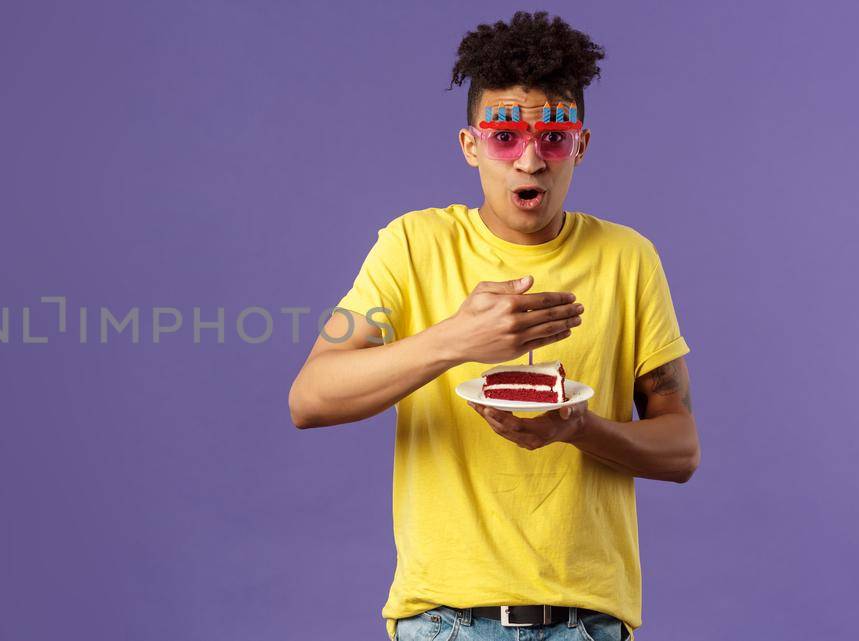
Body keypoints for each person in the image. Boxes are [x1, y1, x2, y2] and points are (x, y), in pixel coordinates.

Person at [286, 12, 698, 641]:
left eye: (552, 139)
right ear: (470, 145)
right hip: (443, 621)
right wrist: (456, 341)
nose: (529, 160)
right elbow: (310, 397)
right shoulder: (412, 245)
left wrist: (579, 428)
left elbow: (681, 450)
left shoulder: (629, 258)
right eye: (505, 136)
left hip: (587, 623)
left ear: (580, 145)